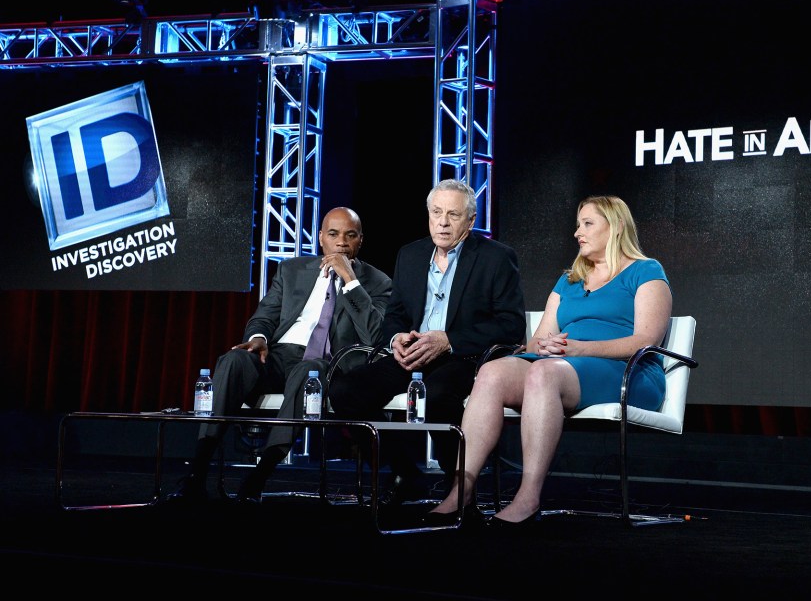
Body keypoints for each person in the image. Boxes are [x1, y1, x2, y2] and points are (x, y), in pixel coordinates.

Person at [427, 195, 673, 527]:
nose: (577, 233)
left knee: (544, 373)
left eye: (587, 224)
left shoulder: (645, 271)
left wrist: (579, 349)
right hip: (562, 365)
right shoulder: (569, 279)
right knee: (492, 371)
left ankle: (528, 497)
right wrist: (546, 345)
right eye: (577, 224)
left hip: (628, 371)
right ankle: (462, 491)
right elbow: (536, 339)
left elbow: (646, 341)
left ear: (615, 228)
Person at [168, 206, 392, 503]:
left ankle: (261, 474)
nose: (341, 243)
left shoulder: (378, 283)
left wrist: (350, 281)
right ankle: (196, 472)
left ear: (360, 241)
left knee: (307, 371)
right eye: (334, 234)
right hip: (277, 355)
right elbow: (264, 318)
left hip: (326, 362)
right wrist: (258, 339)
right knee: (235, 360)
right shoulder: (292, 270)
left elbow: (375, 338)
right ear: (321, 238)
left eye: (350, 236)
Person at [327, 179, 526, 506]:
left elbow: (511, 325)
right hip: (412, 355)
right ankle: (407, 471)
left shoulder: (496, 258)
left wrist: (449, 341)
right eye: (436, 213)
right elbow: (395, 315)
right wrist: (396, 339)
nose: (443, 222)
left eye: (453, 215)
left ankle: (457, 487)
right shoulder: (411, 254)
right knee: (345, 391)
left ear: (471, 220)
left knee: (435, 396)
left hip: (463, 358)